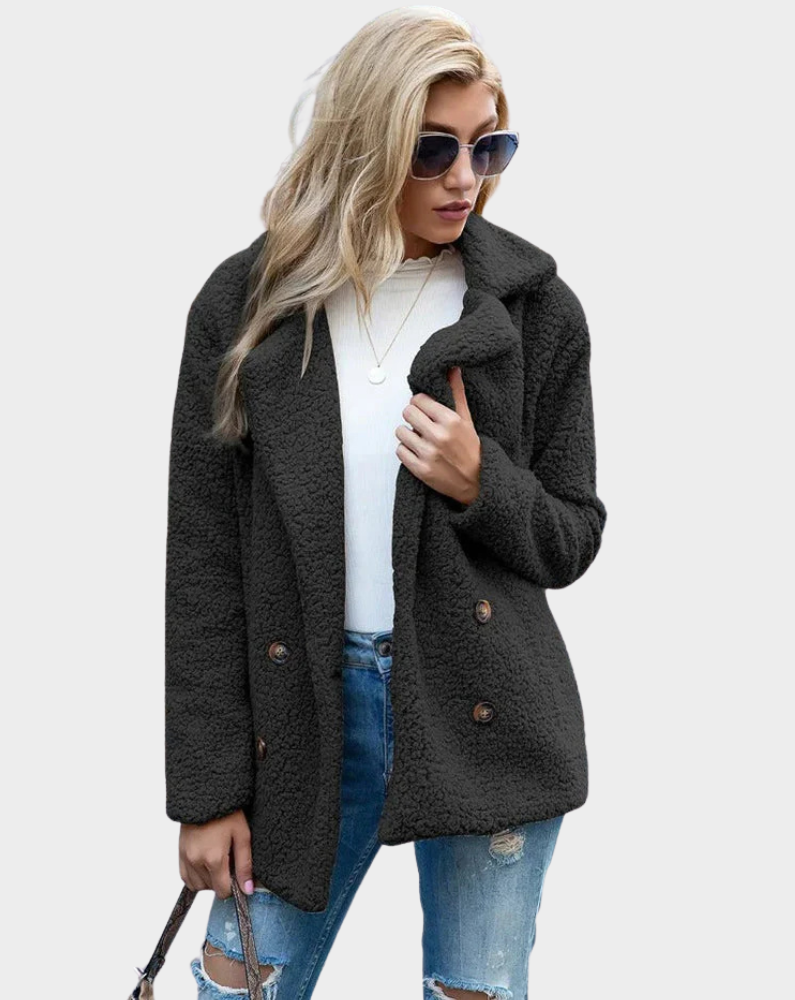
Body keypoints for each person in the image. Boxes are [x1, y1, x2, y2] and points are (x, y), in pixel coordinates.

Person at [164, 9, 608, 999]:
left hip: (486, 712)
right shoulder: (247, 308)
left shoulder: (534, 310)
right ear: (366, 142)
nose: (466, 176)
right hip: (304, 716)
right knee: (238, 982)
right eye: (433, 149)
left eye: (489, 146)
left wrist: (483, 483)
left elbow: (572, 533)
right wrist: (207, 789)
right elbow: (204, 568)